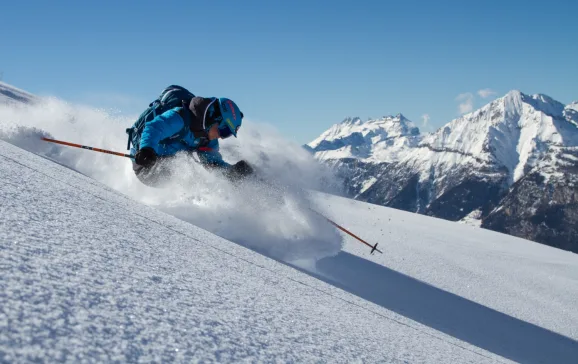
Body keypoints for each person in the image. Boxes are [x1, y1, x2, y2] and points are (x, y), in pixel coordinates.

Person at [131, 95, 253, 187]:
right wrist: (147, 149)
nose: (221, 137)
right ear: (216, 118)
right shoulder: (180, 117)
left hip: (166, 167)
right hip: (145, 163)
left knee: (190, 176)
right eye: (225, 131)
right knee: (187, 178)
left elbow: (213, 162)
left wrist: (232, 172)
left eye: (227, 135)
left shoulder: (207, 139)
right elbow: (154, 128)